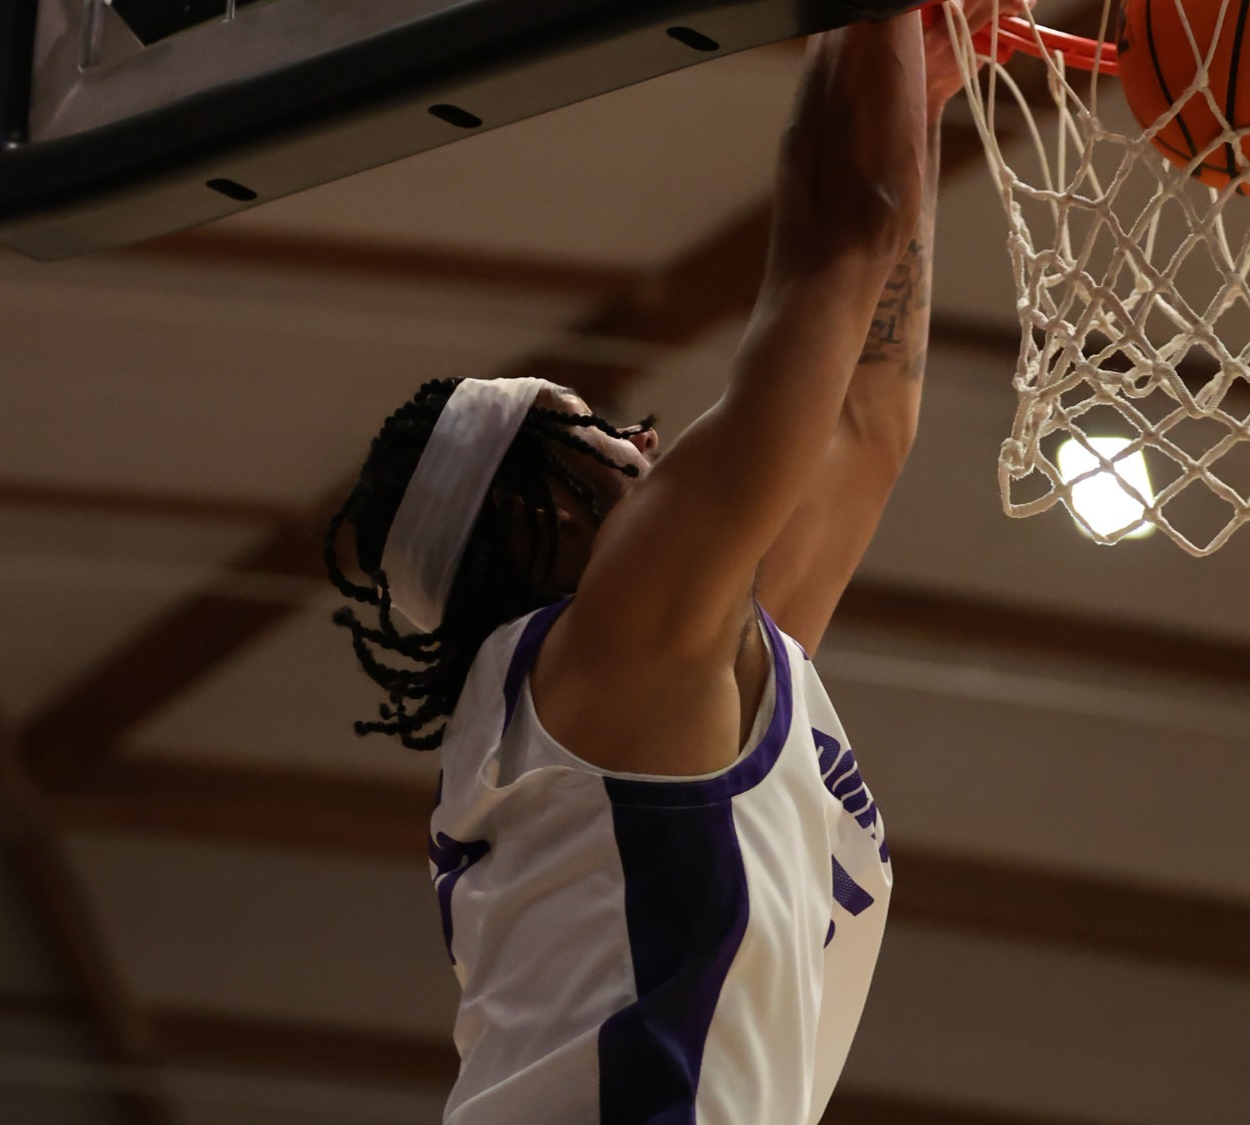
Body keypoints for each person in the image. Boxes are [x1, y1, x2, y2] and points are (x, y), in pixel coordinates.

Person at [323, 3, 1008, 1120]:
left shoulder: (634, 663)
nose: (641, 440)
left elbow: (863, 415)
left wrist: (906, 79)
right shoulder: (624, 648)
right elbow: (847, 246)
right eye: (596, 427)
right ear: (539, 503)